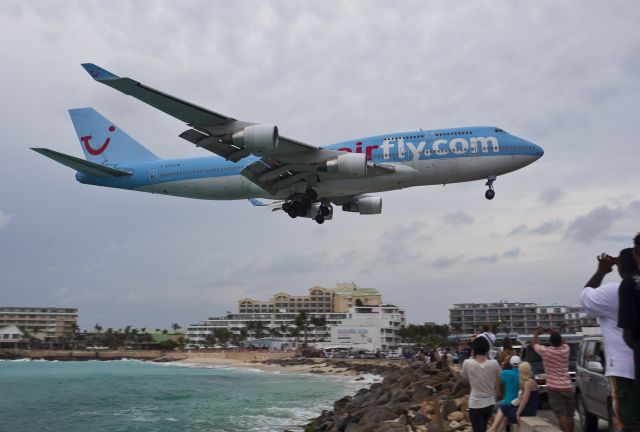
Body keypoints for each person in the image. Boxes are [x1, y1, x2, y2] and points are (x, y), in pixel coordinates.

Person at [582, 248, 639, 431]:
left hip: (625, 368)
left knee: (628, 421)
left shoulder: (615, 291)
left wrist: (601, 271)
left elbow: (586, 298)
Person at [532, 326, 574, 432]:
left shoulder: (546, 351)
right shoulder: (566, 349)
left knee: (561, 414)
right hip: (567, 386)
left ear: (550, 342)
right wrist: (555, 332)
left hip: (554, 388)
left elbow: (534, 344)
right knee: (570, 414)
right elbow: (563, 342)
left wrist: (537, 333)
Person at [460, 336, 501, 432]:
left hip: (476, 403)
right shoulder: (494, 363)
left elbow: (464, 377)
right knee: (484, 427)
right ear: (487, 349)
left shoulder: (467, 363)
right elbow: (499, 376)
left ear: (473, 349)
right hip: (490, 402)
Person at [490, 361, 540, 431]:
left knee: (504, 410)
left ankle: (493, 428)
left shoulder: (528, 383)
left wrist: (518, 412)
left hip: (529, 409)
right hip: (529, 407)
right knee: (505, 415)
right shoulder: (530, 381)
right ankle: (495, 429)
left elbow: (524, 400)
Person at [488, 355, 521, 432]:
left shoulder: (506, 373)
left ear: (510, 363)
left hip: (507, 402)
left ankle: (493, 426)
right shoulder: (522, 374)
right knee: (504, 418)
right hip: (517, 402)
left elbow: (496, 380)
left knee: (491, 409)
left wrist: (502, 366)